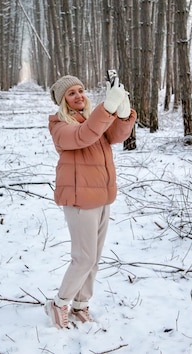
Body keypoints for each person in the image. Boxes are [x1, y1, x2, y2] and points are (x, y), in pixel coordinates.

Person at [44, 75, 137, 329]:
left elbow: (114, 136)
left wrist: (123, 113)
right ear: (62, 100)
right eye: (71, 93)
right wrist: (105, 109)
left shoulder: (90, 119)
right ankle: (60, 302)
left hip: (102, 196)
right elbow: (84, 136)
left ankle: (80, 304)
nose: (79, 95)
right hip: (79, 200)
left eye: (81, 90)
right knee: (83, 258)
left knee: (93, 259)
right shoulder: (60, 126)